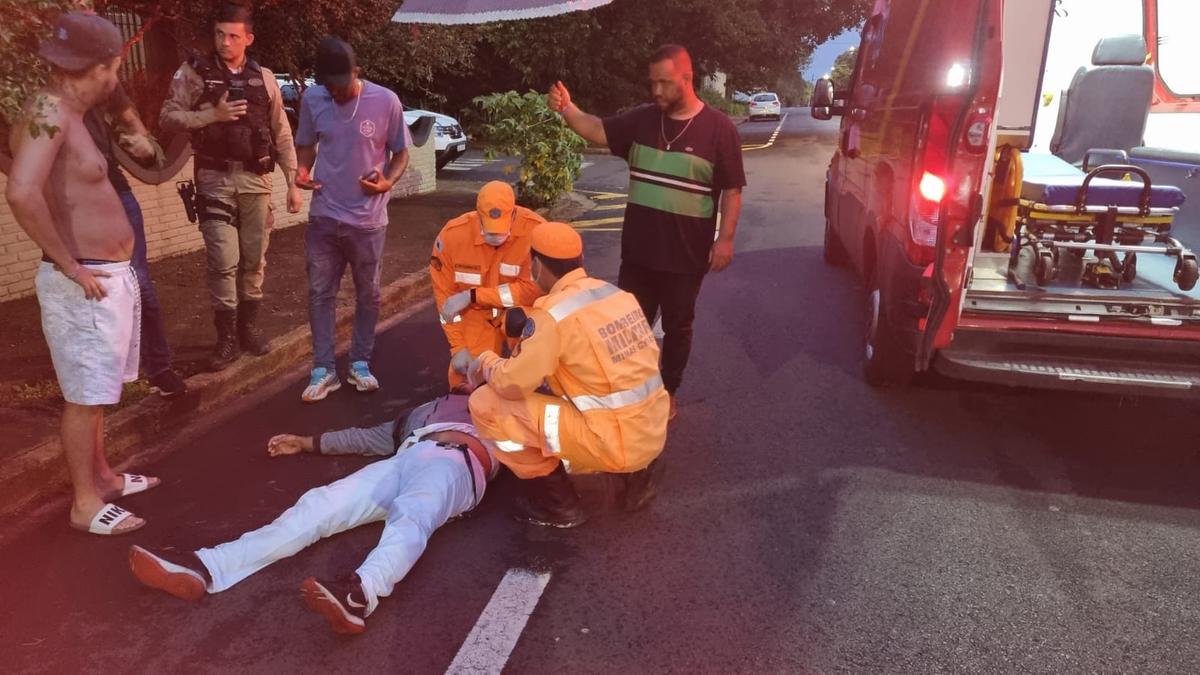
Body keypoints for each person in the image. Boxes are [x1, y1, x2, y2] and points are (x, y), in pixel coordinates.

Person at [127, 394, 494, 635]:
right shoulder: (426, 410)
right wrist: (306, 443)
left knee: (412, 514)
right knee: (320, 504)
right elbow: (371, 438)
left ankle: (360, 594)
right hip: (406, 458)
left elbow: (544, 445)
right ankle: (207, 566)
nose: (464, 369)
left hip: (458, 465)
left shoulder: (508, 403)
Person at [6, 12, 160, 536]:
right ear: (100, 66)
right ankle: (85, 503)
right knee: (83, 397)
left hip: (105, 277)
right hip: (84, 282)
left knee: (98, 394)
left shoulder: (68, 113)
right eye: (115, 68)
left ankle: (104, 476)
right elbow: (22, 191)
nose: (116, 78)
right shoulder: (48, 111)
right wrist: (70, 265)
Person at [548, 44, 747, 420]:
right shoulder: (641, 120)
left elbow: (733, 189)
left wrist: (726, 240)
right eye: (652, 83)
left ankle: (668, 390)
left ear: (687, 80)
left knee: (677, 326)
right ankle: (631, 391)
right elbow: (597, 130)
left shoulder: (719, 130)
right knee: (629, 328)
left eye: (664, 83)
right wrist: (566, 109)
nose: (655, 91)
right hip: (639, 252)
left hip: (686, 254)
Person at [467, 222, 669, 528]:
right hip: (653, 432)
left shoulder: (552, 314)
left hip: (614, 442)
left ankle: (556, 503)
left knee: (485, 403)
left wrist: (484, 362)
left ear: (536, 265)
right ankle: (638, 478)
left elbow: (511, 383)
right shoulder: (617, 295)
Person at [160, 2, 302, 372]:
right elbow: (168, 117)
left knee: (254, 260)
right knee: (224, 260)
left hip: (256, 180)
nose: (225, 42)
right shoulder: (194, 74)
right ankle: (225, 338)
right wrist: (212, 115)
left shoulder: (265, 78)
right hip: (214, 180)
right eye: (220, 34)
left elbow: (281, 132)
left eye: (233, 36)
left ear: (248, 39)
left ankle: (248, 328)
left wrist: (292, 182)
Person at [294, 36, 411, 402]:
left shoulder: (385, 101)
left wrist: (387, 182)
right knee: (319, 293)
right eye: (329, 86)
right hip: (325, 216)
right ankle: (324, 369)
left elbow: (401, 152)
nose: (336, 93)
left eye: (341, 85)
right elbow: (307, 143)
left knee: (369, 295)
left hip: (368, 221)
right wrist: (301, 169)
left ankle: (360, 362)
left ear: (356, 72)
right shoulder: (314, 99)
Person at [85, 84, 187, 397]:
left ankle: (159, 368)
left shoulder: (102, 82)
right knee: (90, 289)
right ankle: (99, 374)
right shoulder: (47, 97)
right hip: (73, 203)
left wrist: (141, 141)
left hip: (115, 192)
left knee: (139, 282)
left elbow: (130, 120)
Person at [431, 180, 545, 392]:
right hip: (476, 316)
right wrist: (458, 348)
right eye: (489, 232)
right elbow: (446, 303)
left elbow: (532, 290)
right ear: (478, 217)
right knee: (464, 379)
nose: (496, 238)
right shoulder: (452, 237)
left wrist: (473, 296)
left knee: (526, 376)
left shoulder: (536, 232)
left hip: (519, 313)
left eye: (502, 232)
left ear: (513, 215)